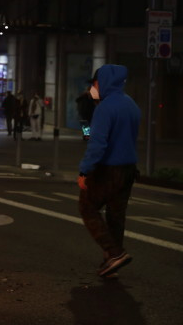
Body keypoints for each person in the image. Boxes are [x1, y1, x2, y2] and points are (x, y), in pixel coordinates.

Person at [77, 64, 140, 278]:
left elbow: (97, 144)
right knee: (116, 215)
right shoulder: (131, 104)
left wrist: (85, 171)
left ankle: (114, 253)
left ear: (102, 82)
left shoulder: (105, 108)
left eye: (95, 83)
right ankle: (111, 261)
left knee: (87, 206)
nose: (94, 87)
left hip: (107, 169)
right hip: (129, 169)